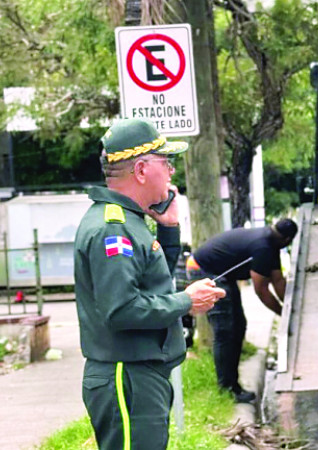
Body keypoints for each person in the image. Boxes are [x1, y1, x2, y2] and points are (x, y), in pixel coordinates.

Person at [74, 118, 226, 450]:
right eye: (165, 163)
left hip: (139, 374)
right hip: (127, 376)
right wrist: (187, 301)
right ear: (141, 170)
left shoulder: (129, 221)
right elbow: (123, 309)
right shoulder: (113, 228)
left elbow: (151, 282)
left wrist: (169, 229)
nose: (171, 172)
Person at [186, 219, 298, 403]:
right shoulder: (263, 246)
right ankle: (227, 388)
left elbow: (278, 281)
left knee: (239, 326)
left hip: (220, 273)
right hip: (205, 270)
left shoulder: (271, 243)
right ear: (287, 240)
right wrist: (283, 314)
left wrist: (290, 309)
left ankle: (233, 385)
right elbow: (261, 290)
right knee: (226, 330)